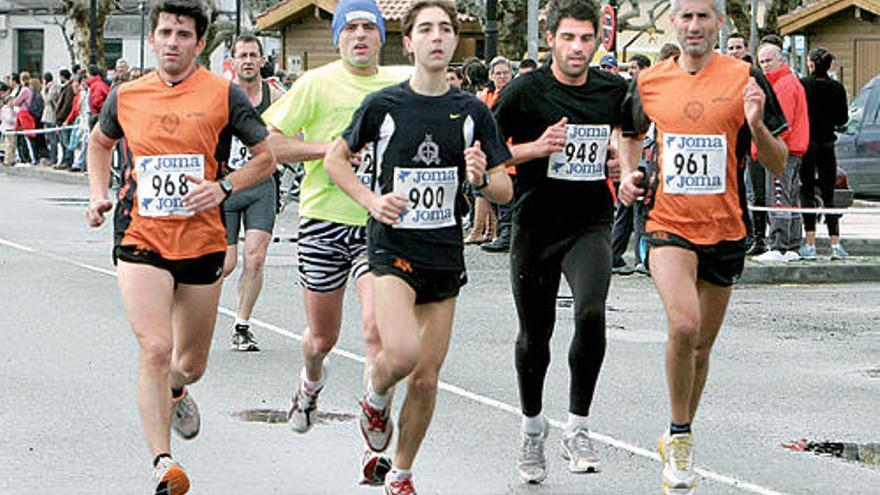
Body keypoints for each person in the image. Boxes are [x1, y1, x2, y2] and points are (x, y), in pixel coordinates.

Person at [83, 0, 275, 493]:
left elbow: (266, 156)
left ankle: (177, 387)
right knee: (154, 346)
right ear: (152, 39)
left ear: (199, 43)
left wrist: (225, 187)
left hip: (202, 240)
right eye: (165, 32)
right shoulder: (126, 95)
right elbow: (99, 145)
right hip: (139, 235)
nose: (172, 41)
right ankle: (163, 463)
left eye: (183, 34)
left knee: (189, 361)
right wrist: (99, 194)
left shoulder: (223, 94)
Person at [324, 3, 513, 493]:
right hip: (391, 249)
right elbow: (335, 160)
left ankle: (401, 473)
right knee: (402, 354)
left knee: (428, 378)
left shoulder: (473, 112)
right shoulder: (384, 106)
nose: (436, 37)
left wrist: (477, 180)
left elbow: (503, 189)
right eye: (425, 29)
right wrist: (371, 200)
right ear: (408, 43)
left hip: (444, 254)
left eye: (445, 29)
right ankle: (376, 393)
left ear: (454, 43)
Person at [617, 0, 788, 493]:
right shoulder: (650, 81)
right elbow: (629, 133)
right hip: (667, 222)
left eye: (703, 17)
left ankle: (679, 434)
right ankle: (680, 433)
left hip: (726, 227)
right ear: (673, 22)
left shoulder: (744, 76)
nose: (693, 26)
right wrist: (630, 174)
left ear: (719, 23)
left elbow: (777, 164)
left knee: (702, 346)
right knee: (684, 324)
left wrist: (755, 125)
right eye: (685, 16)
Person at [261, 0, 410, 484]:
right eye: (352, 28)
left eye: (370, 27)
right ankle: (309, 383)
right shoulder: (315, 84)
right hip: (323, 219)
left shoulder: (399, 86)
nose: (361, 35)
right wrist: (331, 150)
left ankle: (374, 433)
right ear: (339, 38)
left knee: (375, 331)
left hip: (378, 223)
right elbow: (271, 143)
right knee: (322, 338)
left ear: (382, 37)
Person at [490, 0, 627, 483]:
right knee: (536, 334)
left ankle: (578, 426)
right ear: (550, 39)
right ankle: (532, 429)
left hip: (589, 221)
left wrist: (620, 165)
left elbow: (632, 134)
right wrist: (535, 148)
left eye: (586, 39)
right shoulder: (526, 91)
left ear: (598, 41)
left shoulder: (613, 89)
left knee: (591, 312)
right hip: (535, 223)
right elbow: (488, 151)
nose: (577, 48)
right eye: (568, 38)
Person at [219, 34, 285, 351]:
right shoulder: (221, 95)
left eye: (252, 55)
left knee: (255, 259)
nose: (247, 60)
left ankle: (241, 326)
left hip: (261, 185)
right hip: (228, 186)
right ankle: (192, 311)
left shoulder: (276, 94)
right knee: (226, 263)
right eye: (241, 55)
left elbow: (299, 127)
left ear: (262, 60)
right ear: (232, 62)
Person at [752, 41, 809, 263]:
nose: (765, 66)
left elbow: (780, 125)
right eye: (762, 61)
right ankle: (793, 244)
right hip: (793, 150)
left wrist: (769, 149)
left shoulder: (782, 86)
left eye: (769, 60)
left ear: (781, 60)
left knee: (777, 196)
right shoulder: (789, 82)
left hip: (781, 151)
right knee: (790, 196)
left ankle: (778, 244)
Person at [799, 47, 849, 260]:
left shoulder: (803, 85)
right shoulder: (837, 88)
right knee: (829, 193)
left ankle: (810, 244)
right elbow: (842, 119)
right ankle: (835, 243)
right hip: (828, 143)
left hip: (808, 143)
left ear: (811, 64)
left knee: (807, 191)